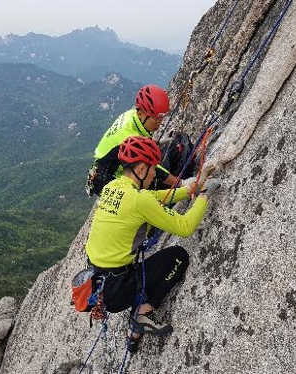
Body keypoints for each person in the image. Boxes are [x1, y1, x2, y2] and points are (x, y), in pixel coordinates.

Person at [85, 135, 220, 353]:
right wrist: (204, 195)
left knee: (147, 268)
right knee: (178, 257)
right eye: (151, 168)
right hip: (116, 288)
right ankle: (142, 313)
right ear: (140, 169)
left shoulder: (114, 187)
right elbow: (185, 227)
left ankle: (135, 329)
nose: (154, 174)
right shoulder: (139, 199)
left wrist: (188, 189)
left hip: (96, 284)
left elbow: (154, 196)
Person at [86, 84, 193, 197]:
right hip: (105, 180)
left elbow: (141, 139)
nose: (160, 123)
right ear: (140, 113)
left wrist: (159, 141)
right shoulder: (128, 137)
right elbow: (152, 169)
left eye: (162, 118)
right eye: (156, 119)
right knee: (153, 188)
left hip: (104, 169)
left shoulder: (131, 115)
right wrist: (181, 183)